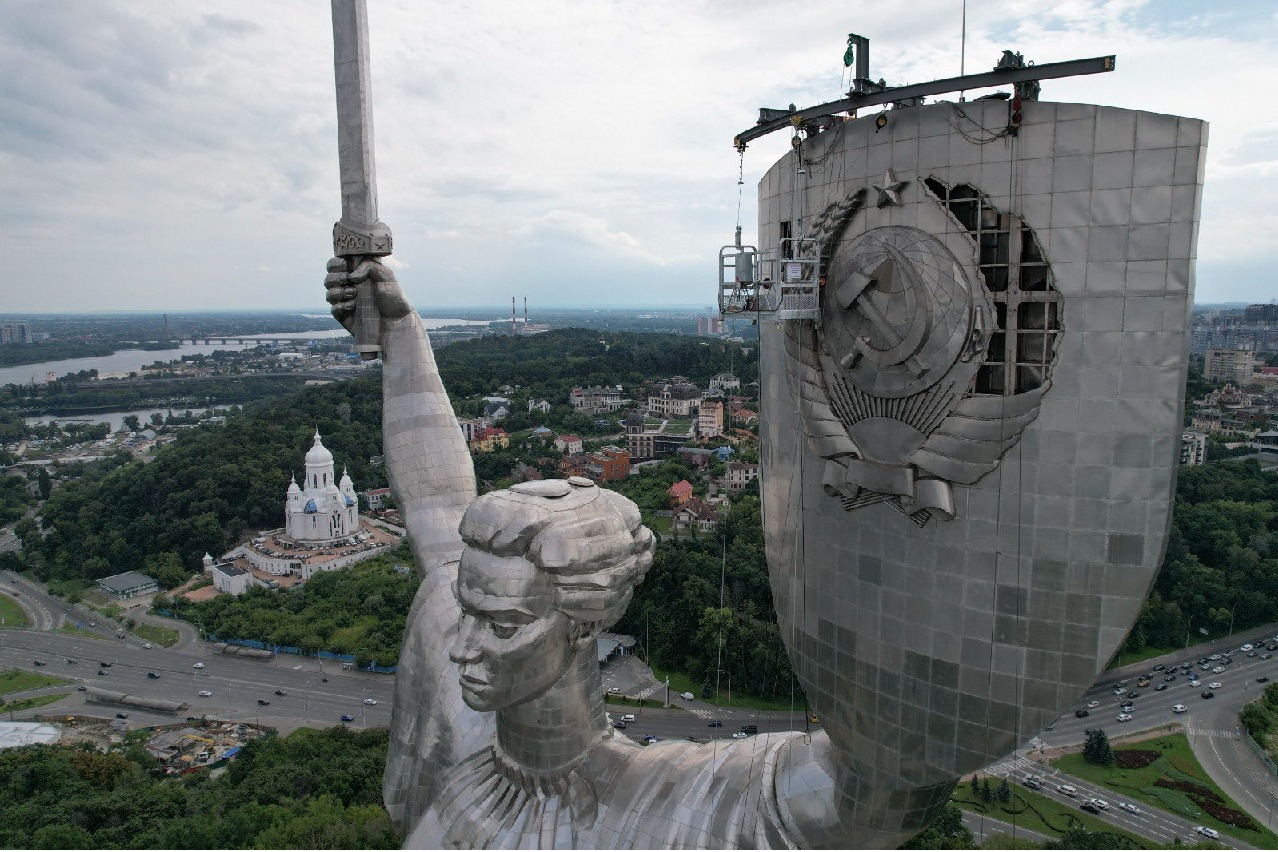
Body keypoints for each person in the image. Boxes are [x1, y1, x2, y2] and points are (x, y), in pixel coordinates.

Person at [325, 259, 847, 849]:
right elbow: (434, 506)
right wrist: (400, 334)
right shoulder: (465, 730)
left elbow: (868, 788)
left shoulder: (668, 809)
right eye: (468, 611)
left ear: (582, 627)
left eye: (502, 626)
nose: (459, 645)